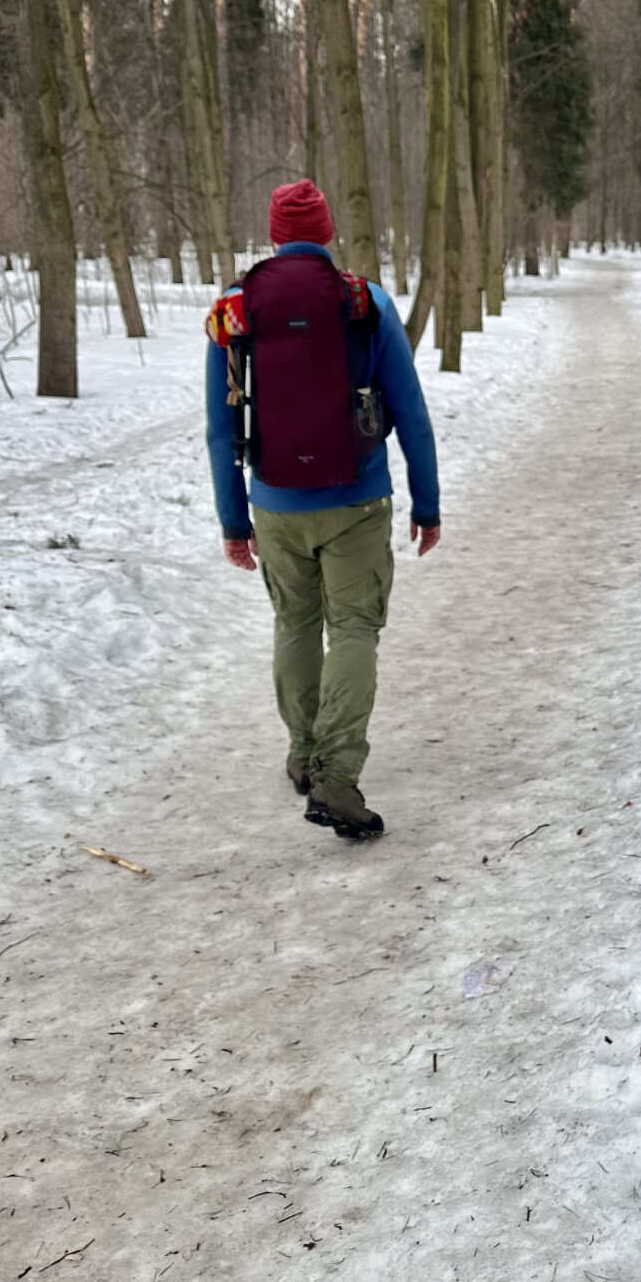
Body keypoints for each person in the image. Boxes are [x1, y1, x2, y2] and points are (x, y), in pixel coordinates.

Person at [204, 179, 440, 840]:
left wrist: (234, 520)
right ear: (328, 231)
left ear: (275, 233)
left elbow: (221, 428)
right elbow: (411, 411)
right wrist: (428, 502)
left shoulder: (235, 308)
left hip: (274, 503)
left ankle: (304, 756)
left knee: (296, 624)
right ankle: (337, 775)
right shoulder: (366, 301)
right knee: (355, 628)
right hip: (359, 500)